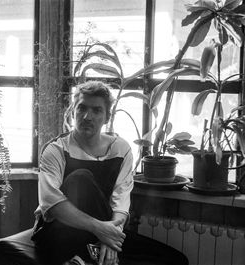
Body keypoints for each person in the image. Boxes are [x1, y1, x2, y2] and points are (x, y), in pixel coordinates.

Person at [31, 81, 188, 265]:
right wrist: (101, 230)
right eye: (81, 108)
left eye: (97, 110)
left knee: (175, 260)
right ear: (73, 111)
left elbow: (120, 203)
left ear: (107, 117)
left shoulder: (120, 149)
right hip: (58, 233)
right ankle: (87, 256)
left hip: (104, 230)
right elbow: (51, 203)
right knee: (81, 178)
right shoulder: (56, 150)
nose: (87, 116)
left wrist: (109, 238)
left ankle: (85, 258)